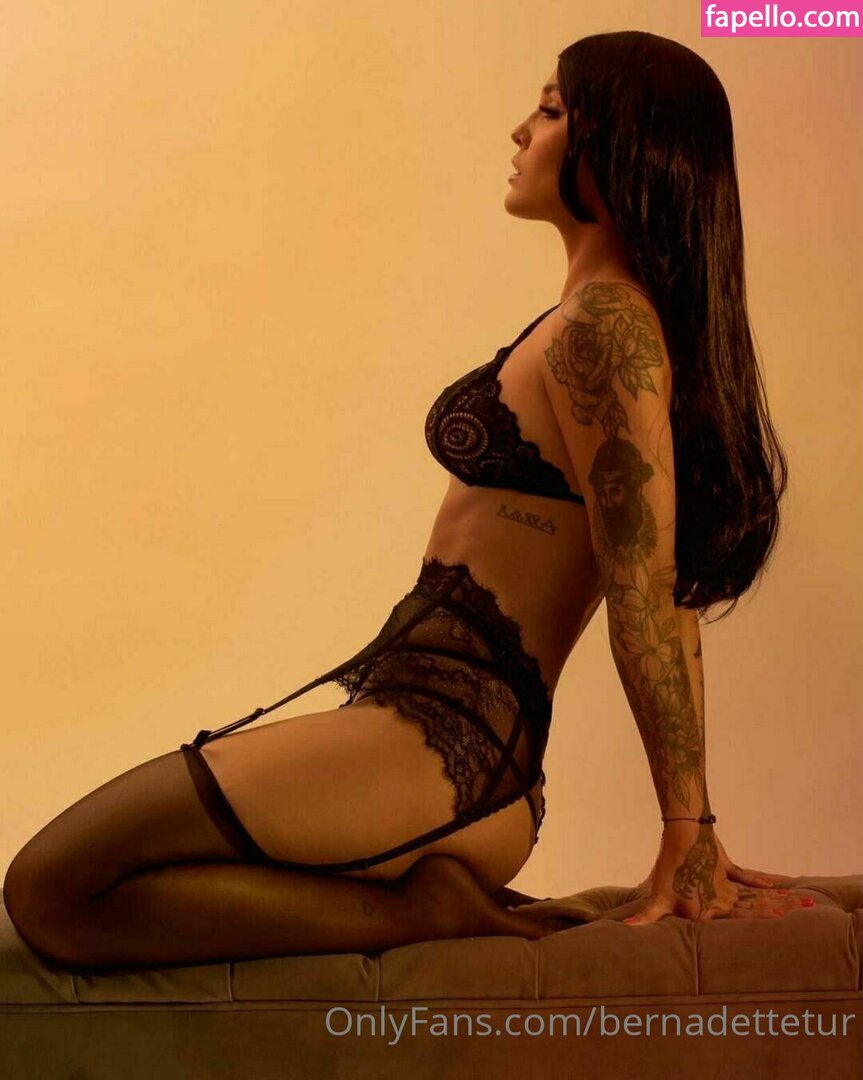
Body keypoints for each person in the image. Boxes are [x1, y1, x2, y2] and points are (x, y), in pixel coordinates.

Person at [3, 31, 811, 971]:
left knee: (55, 888)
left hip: (447, 742)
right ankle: (421, 902)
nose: (520, 131)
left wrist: (687, 829)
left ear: (621, 146)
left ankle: (428, 912)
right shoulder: (584, 318)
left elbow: (648, 587)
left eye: (550, 110)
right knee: (71, 888)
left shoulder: (605, 325)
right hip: (425, 729)